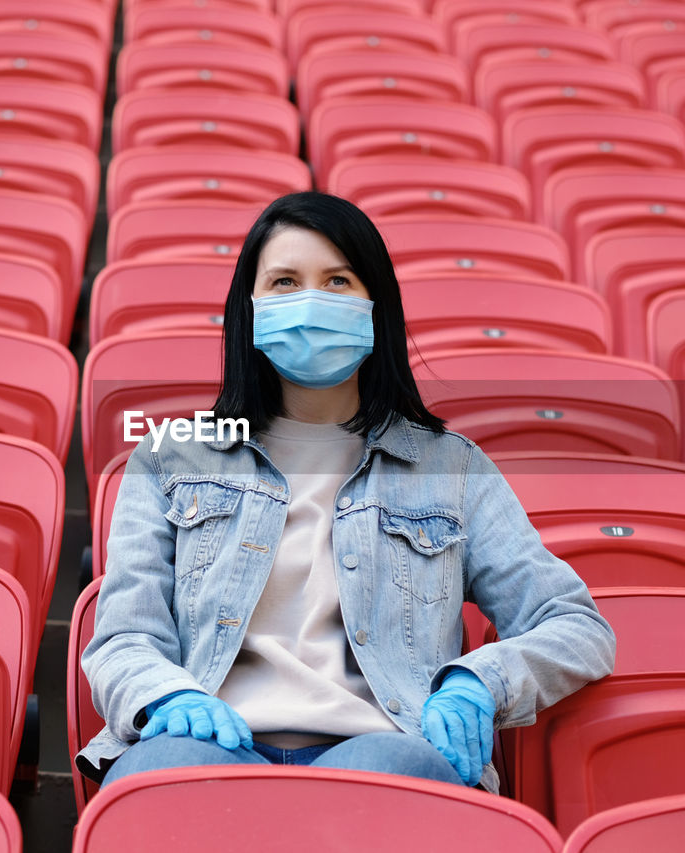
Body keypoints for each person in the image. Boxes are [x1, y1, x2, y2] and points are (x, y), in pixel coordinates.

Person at [76, 192, 616, 792]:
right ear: (248, 311)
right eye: (284, 282)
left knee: (392, 773)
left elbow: (574, 625)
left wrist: (480, 682)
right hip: (209, 741)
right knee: (164, 773)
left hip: (382, 743)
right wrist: (167, 695)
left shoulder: (453, 468)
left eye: (337, 280)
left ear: (375, 306)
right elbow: (124, 637)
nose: (310, 301)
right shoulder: (166, 456)